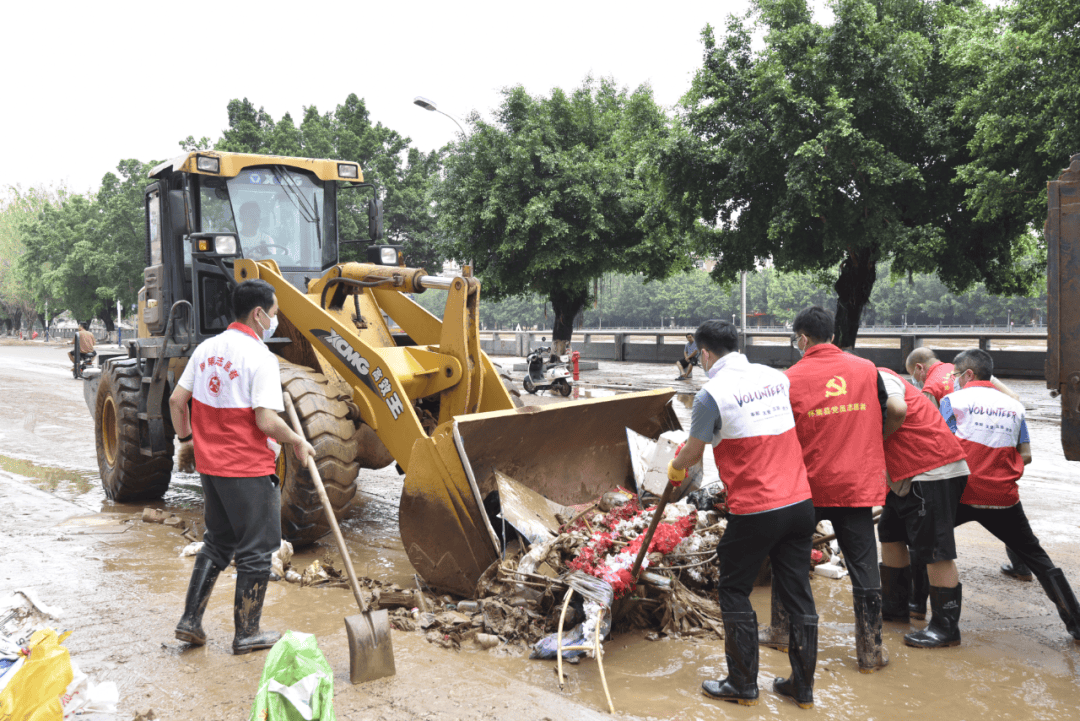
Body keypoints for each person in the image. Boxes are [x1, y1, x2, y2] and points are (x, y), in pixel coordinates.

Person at [671, 319, 818, 709]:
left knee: (734, 588)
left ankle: (742, 684)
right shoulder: (776, 377)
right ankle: (802, 689)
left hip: (756, 509)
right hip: (801, 504)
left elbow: (693, 451)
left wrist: (674, 469)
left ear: (704, 353)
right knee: (798, 593)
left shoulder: (710, 395)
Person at [169, 279, 314, 655]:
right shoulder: (260, 357)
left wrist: (187, 441)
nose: (276, 320)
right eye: (275, 313)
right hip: (247, 468)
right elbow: (266, 421)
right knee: (254, 551)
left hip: (211, 468)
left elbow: (176, 400)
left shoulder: (206, 349)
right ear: (258, 314)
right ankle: (247, 633)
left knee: (217, 541)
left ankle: (190, 621)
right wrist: (296, 440)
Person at [774, 306, 890, 673]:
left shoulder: (789, 378)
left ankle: (781, 630)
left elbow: (779, 435)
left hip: (806, 486)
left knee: (788, 559)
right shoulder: (867, 370)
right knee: (865, 568)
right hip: (856, 486)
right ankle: (870, 651)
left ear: (803, 339)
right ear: (834, 337)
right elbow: (886, 410)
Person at [941, 349, 1080, 641]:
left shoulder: (951, 401)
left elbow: (943, 449)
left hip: (960, 494)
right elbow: (1025, 456)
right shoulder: (1014, 407)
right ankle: (1076, 624)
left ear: (968, 374)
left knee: (923, 543)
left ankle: (917, 613)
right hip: (1003, 498)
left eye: (955, 375)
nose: (952, 380)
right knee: (1039, 560)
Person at [905, 347, 1029, 614]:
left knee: (924, 537)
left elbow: (930, 432)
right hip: (1000, 473)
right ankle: (1024, 569)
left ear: (918, 368)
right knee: (1026, 541)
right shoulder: (1003, 396)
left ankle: (916, 604)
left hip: (958, 481)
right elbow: (1017, 408)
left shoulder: (938, 390)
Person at [875, 366, 969, 648]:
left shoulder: (879, 376)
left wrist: (876, 440)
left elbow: (897, 408)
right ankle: (895, 609)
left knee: (934, 550)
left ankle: (945, 627)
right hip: (904, 474)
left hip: (931, 468)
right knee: (890, 533)